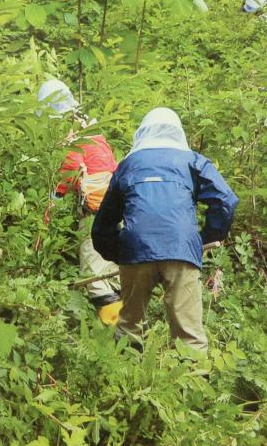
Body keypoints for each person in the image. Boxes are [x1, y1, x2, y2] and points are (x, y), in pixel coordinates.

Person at [92, 108, 238, 352]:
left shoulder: (129, 164)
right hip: (181, 249)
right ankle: (192, 386)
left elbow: (104, 222)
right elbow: (226, 200)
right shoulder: (192, 160)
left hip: (135, 249)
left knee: (129, 324)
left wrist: (120, 253)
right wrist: (204, 240)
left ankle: (126, 382)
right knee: (189, 333)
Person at [38, 79, 123, 325]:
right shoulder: (93, 130)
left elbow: (71, 168)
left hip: (97, 210)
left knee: (91, 274)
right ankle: (127, 329)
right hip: (118, 206)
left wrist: (54, 198)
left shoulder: (75, 133)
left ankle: (120, 333)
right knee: (111, 270)